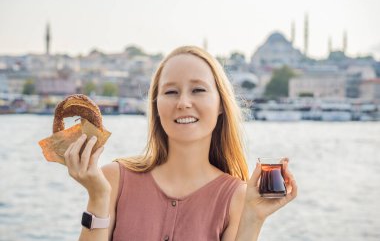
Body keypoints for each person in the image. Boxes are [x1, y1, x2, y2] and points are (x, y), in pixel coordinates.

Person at [64, 46, 297, 241]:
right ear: (156, 105)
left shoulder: (237, 197)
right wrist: (98, 196)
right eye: (171, 91)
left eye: (198, 90)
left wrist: (253, 219)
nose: (184, 102)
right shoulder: (112, 181)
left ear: (221, 105)